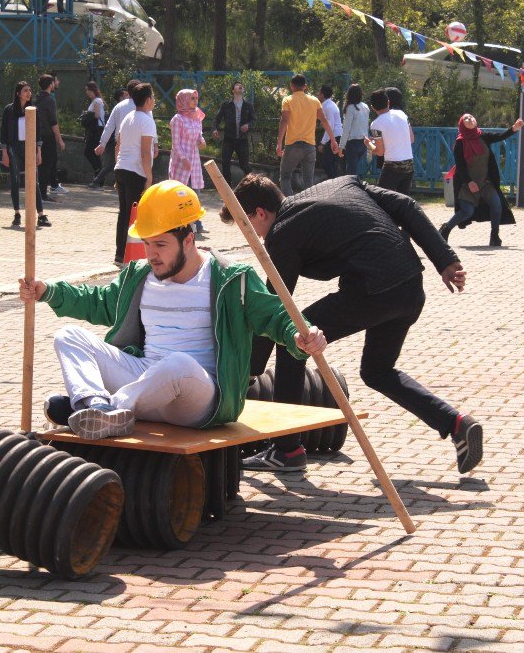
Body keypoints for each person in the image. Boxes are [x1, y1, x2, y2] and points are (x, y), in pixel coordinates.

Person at [18, 180, 326, 439]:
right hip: (145, 383)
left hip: (198, 396)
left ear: (188, 240)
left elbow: (275, 314)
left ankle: (103, 409)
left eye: (161, 245)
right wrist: (48, 291)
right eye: (147, 244)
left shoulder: (231, 279)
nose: (151, 254)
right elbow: (97, 302)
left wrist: (301, 335)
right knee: (68, 336)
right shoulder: (138, 275)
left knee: (178, 364)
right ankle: (96, 406)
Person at [225, 174, 482, 475]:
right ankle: (456, 423)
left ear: (260, 213)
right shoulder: (343, 183)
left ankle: (286, 451)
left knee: (293, 342)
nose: (249, 236)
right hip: (410, 285)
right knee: (377, 371)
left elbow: (277, 308)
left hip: (373, 290)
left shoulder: (282, 233)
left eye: (246, 226)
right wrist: (445, 260)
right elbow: (407, 205)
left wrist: (249, 370)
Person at [439, 114, 523, 247]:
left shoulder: (482, 136)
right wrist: (469, 182)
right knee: (467, 211)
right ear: (462, 125)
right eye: (466, 119)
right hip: (466, 184)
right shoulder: (460, 143)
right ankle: (445, 229)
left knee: (497, 204)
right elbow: (460, 166)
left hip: (484, 181)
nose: (470, 119)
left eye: (471, 117)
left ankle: (494, 236)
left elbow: (498, 137)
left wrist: (514, 128)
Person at [112, 82, 157, 267]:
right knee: (136, 214)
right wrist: (149, 177)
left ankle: (119, 255)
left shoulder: (128, 116)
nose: (154, 101)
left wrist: (118, 169)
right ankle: (132, 257)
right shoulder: (147, 121)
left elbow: (118, 147)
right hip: (136, 172)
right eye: (153, 97)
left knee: (124, 214)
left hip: (121, 168)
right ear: (147, 100)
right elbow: (146, 153)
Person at [277, 74, 339, 196]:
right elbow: (324, 120)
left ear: (291, 86)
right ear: (305, 87)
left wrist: (279, 142)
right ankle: (307, 208)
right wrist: (333, 140)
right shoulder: (315, 101)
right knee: (308, 181)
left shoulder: (287, 100)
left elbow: (284, 121)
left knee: (285, 177)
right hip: (310, 146)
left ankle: (289, 205)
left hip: (292, 145)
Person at [0, 81, 51, 229]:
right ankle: (17, 213)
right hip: (14, 146)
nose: (28, 93)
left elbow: (38, 132)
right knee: (15, 180)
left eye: (30, 90)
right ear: (18, 94)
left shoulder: (33, 110)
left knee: (33, 180)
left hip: (29, 147)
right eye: (25, 91)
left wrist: (38, 151)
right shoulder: (9, 110)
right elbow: (4, 132)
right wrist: (4, 152)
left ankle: (41, 215)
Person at [168, 89, 207, 234]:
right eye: (192, 98)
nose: (195, 101)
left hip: (194, 159)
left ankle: (196, 222)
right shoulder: (177, 119)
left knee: (194, 192)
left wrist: (201, 141)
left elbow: (199, 135)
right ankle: (179, 223)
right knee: (180, 193)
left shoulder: (196, 116)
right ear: (183, 100)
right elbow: (175, 143)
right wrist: (183, 158)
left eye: (196, 98)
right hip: (181, 161)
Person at [94, 78, 141, 185]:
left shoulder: (119, 106)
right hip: (138, 141)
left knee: (121, 165)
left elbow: (109, 126)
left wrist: (102, 144)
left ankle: (121, 185)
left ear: (128, 92)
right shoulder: (143, 105)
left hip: (119, 141)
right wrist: (155, 143)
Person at [370, 87, 415, 195]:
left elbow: (380, 152)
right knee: (403, 200)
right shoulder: (402, 114)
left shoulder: (376, 124)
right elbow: (411, 139)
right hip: (409, 164)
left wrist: (369, 144)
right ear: (388, 102)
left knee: (382, 199)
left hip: (392, 166)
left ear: (372, 107)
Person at [212, 81, 255, 186]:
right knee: (225, 163)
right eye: (237, 85)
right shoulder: (226, 105)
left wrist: (248, 125)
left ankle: (254, 184)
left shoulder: (248, 105)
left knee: (244, 165)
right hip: (229, 139)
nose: (240, 85)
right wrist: (214, 129)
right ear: (233, 90)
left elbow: (254, 120)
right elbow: (217, 119)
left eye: (241, 85)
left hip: (242, 139)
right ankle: (228, 189)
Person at [34, 74, 66, 202]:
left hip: (37, 134)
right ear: (50, 84)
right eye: (53, 82)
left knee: (42, 164)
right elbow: (53, 122)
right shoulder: (50, 100)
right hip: (47, 136)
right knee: (47, 164)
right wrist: (60, 139)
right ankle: (42, 194)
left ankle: (42, 192)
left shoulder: (37, 98)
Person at [92, 87, 127, 189]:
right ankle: (97, 180)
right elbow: (110, 126)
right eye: (125, 94)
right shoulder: (120, 108)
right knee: (112, 163)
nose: (127, 96)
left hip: (113, 139)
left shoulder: (119, 108)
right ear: (121, 97)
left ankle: (116, 182)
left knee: (115, 163)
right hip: (114, 140)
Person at [338, 83, 369, 177]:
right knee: (355, 169)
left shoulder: (351, 108)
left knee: (351, 171)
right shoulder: (365, 107)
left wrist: (341, 146)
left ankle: (352, 189)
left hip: (352, 143)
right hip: (363, 142)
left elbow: (346, 129)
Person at [318, 84, 343, 180]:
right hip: (336, 135)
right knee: (332, 162)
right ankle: (334, 182)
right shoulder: (330, 105)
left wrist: (323, 143)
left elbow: (330, 126)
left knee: (327, 163)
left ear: (322, 95)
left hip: (334, 136)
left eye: (319, 93)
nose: (318, 95)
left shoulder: (327, 107)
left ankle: (333, 182)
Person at [82, 80, 106, 182]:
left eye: (88, 90)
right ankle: (98, 176)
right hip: (95, 130)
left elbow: (96, 115)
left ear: (92, 90)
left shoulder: (97, 101)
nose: (87, 92)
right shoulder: (96, 101)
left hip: (96, 130)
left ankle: (98, 174)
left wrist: (87, 114)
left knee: (89, 152)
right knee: (93, 153)